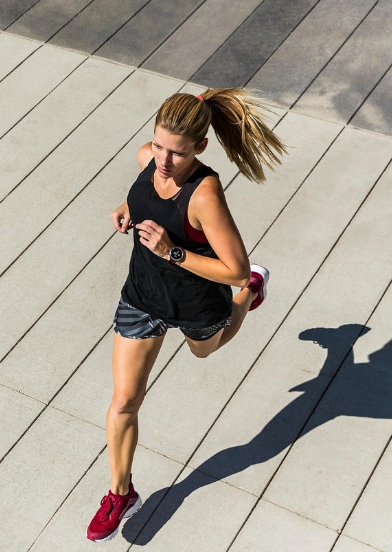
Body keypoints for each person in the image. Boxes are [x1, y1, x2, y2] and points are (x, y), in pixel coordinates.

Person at [86, 89, 286, 542]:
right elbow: (145, 191)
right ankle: (120, 494)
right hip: (142, 295)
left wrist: (171, 251)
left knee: (205, 350)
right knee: (124, 402)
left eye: (177, 153)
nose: (163, 160)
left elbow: (234, 268)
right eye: (159, 145)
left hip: (197, 300)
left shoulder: (204, 194)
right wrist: (127, 207)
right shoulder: (148, 158)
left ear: (200, 147)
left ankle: (252, 294)